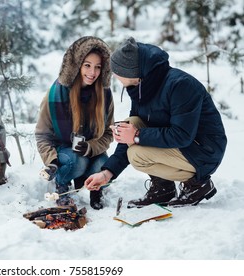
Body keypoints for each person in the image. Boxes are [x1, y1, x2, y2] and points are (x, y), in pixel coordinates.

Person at [85, 37, 227, 208]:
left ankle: (198, 185)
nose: (114, 75)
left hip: (204, 151)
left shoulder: (180, 85)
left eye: (117, 71)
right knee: (131, 122)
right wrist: (107, 173)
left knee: (137, 154)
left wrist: (137, 135)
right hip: (183, 147)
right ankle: (164, 188)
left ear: (131, 72)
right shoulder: (142, 86)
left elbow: (182, 135)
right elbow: (130, 132)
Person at [35, 36, 114, 210]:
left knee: (104, 166)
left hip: (91, 150)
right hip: (64, 151)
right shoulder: (56, 94)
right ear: (76, 65)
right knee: (77, 161)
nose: (92, 73)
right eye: (87, 65)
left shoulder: (105, 94)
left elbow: (108, 133)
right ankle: (62, 185)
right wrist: (52, 161)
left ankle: (96, 189)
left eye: (98, 67)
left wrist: (90, 147)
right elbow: (42, 135)